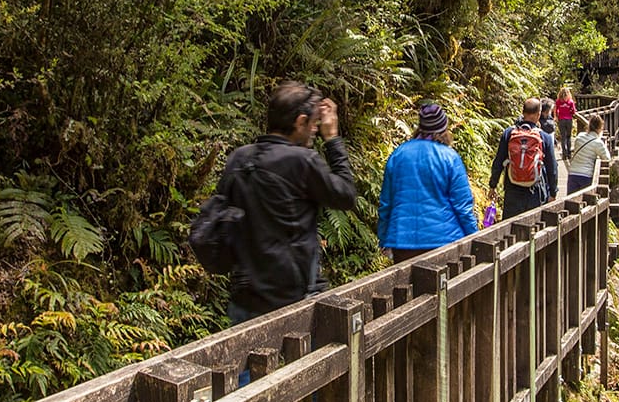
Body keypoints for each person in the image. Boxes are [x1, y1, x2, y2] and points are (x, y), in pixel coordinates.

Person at [221, 81, 359, 323]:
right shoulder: (301, 161)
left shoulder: (239, 158)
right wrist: (333, 140)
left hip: (245, 297)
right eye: (314, 124)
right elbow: (346, 195)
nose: (315, 130)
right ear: (299, 122)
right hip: (292, 299)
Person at [377, 103, 478, 262]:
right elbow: (463, 206)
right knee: (443, 286)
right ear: (444, 128)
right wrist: (475, 237)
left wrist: (383, 238)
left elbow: (386, 203)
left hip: (402, 242)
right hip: (443, 241)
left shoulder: (398, 155)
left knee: (407, 286)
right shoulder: (450, 158)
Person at [488, 97, 559, 219]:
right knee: (534, 229)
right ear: (538, 114)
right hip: (535, 191)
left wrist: (493, 185)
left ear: (522, 112)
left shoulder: (509, 133)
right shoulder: (544, 137)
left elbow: (498, 161)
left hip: (512, 190)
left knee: (510, 228)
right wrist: (553, 192)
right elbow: (552, 168)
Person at [565, 114, 611, 193]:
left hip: (573, 173)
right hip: (586, 175)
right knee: (585, 200)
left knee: (570, 201)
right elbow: (607, 158)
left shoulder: (579, 137)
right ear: (600, 128)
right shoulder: (598, 143)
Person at [553, 86, 578, 159]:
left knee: (563, 137)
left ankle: (564, 154)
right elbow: (573, 111)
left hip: (561, 120)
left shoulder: (558, 101)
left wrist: (556, 116)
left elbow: (555, 109)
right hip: (569, 120)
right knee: (568, 137)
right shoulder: (570, 101)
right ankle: (569, 154)